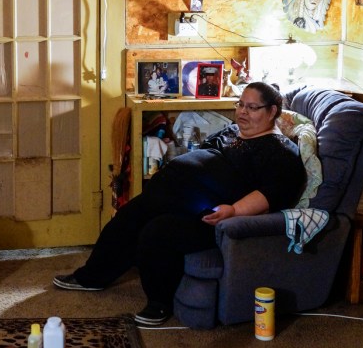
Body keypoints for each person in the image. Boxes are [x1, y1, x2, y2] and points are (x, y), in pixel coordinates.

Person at [52, 82, 306, 326]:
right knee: (131, 214)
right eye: (240, 104)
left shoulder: (280, 151)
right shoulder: (232, 131)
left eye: (252, 108)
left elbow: (271, 194)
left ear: (272, 111)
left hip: (216, 216)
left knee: (158, 231)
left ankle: (159, 303)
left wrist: (234, 209)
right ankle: (93, 277)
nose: (242, 112)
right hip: (184, 200)